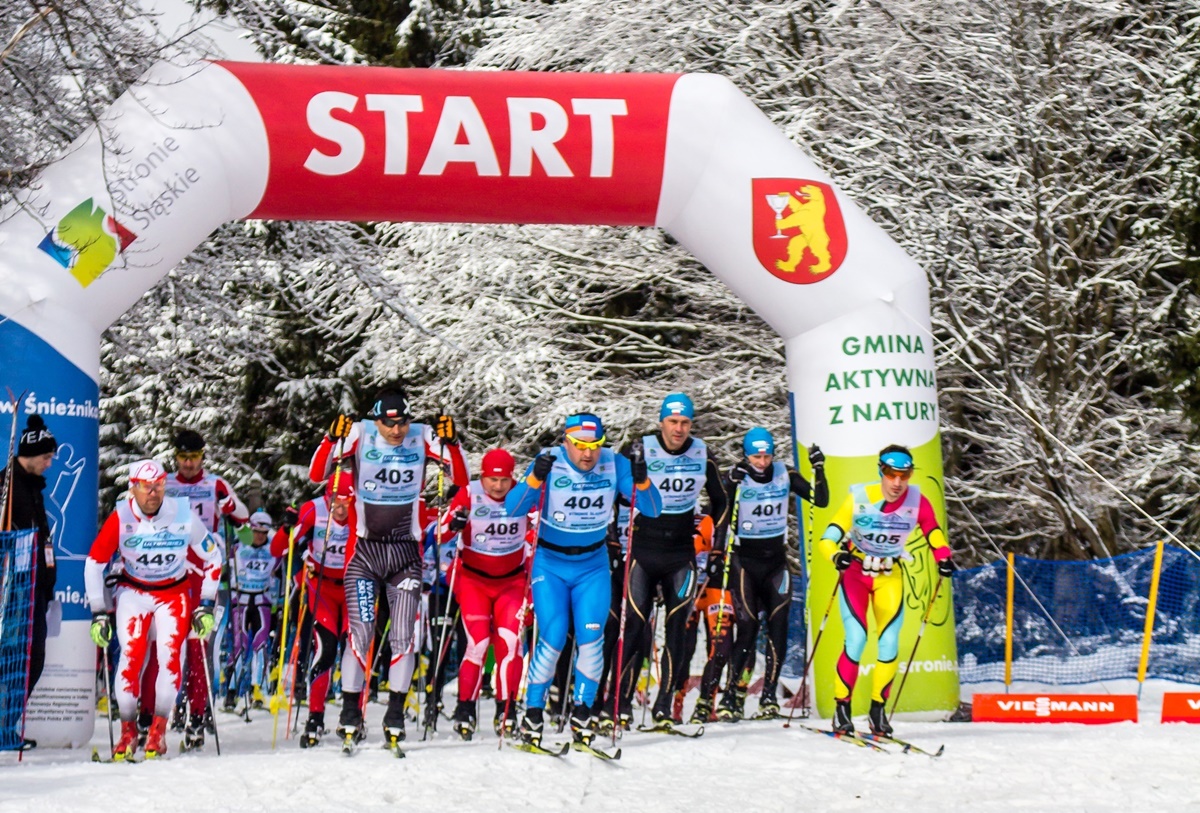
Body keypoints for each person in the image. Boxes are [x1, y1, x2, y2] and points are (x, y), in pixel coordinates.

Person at [311, 386, 467, 750]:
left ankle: (394, 713)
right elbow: (317, 473)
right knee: (361, 635)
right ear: (376, 418)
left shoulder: (422, 436)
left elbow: (458, 477)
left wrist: (454, 443)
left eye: (402, 423)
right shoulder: (359, 433)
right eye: (388, 424)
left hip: (404, 555)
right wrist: (329, 438)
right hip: (365, 554)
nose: (397, 431)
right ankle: (351, 712)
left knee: (403, 637)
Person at [505, 412, 663, 747]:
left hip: (592, 565)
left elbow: (652, 509)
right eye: (579, 446)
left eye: (594, 446)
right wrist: (534, 478)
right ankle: (532, 713)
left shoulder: (613, 464)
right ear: (566, 442)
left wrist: (643, 480)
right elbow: (513, 508)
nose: (588, 454)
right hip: (551, 564)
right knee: (553, 635)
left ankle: (582, 711)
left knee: (593, 639)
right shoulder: (549, 462)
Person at [84, 460, 221, 760]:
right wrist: (98, 611)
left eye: (159, 486)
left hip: (173, 593)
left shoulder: (182, 513)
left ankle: (157, 732)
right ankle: (128, 732)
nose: (153, 494)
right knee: (131, 658)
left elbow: (213, 558)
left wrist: (207, 604)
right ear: (133, 488)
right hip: (133, 592)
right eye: (146, 488)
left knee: (171, 658)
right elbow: (94, 563)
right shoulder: (121, 516)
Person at [817, 444, 952, 736]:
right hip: (855, 572)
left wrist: (943, 557)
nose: (897, 483)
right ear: (881, 471)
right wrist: (835, 555)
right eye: (891, 475)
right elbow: (828, 537)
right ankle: (842, 707)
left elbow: (933, 531)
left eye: (905, 475)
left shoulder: (918, 501)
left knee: (889, 643)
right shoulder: (860, 497)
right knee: (856, 639)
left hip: (889, 574)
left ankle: (878, 709)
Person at [614, 393, 728, 728]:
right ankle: (620, 703)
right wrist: (611, 539)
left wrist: (717, 547)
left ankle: (663, 704)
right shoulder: (640, 449)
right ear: (661, 422)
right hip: (644, 550)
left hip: (681, 553)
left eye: (685, 423)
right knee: (635, 627)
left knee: (677, 631)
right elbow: (610, 493)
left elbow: (721, 502)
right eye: (673, 422)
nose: (678, 429)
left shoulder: (703, 453)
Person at [715, 426, 828, 722]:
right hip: (745, 563)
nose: (762, 462)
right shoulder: (738, 475)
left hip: (776, 562)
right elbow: (720, 508)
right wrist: (729, 484)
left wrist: (819, 468)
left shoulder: (785, 474)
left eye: (766, 456)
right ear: (746, 454)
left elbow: (820, 500)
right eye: (756, 456)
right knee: (748, 628)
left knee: (778, 630)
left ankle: (768, 697)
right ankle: (731, 695)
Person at [157, 430, 248, 744]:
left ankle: (199, 711)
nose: (188, 464)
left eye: (194, 457)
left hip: (205, 574)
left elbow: (245, 524)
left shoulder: (215, 484)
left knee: (200, 647)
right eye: (182, 458)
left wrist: (230, 507)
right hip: (169, 573)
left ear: (203, 456)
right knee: (171, 646)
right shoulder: (164, 483)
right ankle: (171, 708)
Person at [442, 448, 531, 739]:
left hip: (512, 583)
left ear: (512, 477)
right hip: (474, 581)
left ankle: (507, 710)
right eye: (492, 480)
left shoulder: (522, 494)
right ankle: (465, 708)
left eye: (504, 480)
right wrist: (454, 524)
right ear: (483, 477)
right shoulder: (468, 493)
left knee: (510, 645)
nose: (498, 486)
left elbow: (537, 533)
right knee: (478, 645)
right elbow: (440, 533)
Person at [271, 474, 355, 748]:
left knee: (354, 650)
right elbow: (277, 549)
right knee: (326, 648)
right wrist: (287, 528)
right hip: (321, 588)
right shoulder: (313, 509)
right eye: (334, 502)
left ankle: (352, 717)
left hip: (354, 586)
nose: (340, 509)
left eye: (345, 502)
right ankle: (315, 717)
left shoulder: (363, 511)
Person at [0, 415, 57, 749]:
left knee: (32, 657)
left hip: (36, 586)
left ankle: (9, 723)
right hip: (13, 587)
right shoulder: (7, 484)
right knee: (12, 656)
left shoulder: (34, 487)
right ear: (31, 453)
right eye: (46, 457)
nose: (49, 464)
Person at [221, 509, 278, 724]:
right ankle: (231, 692)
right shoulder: (238, 546)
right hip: (241, 602)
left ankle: (257, 690)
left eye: (264, 532)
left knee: (261, 646)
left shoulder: (273, 549)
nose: (260, 536)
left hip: (262, 601)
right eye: (256, 532)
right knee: (238, 646)